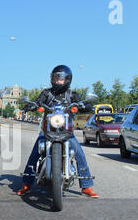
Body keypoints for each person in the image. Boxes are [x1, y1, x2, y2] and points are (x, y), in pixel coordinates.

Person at [18, 65, 99, 198]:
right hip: (47, 131)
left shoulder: (72, 95)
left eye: (62, 78)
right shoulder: (47, 93)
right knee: (34, 154)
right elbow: (38, 102)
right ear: (52, 78)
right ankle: (26, 183)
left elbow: (81, 103)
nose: (59, 80)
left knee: (80, 154)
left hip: (67, 132)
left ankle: (86, 186)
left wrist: (85, 105)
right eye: (57, 77)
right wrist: (32, 105)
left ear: (68, 79)